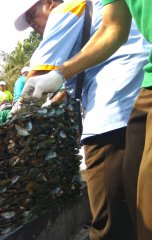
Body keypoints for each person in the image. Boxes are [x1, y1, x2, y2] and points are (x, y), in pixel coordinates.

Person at [13, 0, 150, 239]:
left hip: (114, 108)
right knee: (139, 206)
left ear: (49, 3)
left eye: (32, 16)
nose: (32, 25)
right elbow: (109, 32)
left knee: (109, 221)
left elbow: (38, 73)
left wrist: (14, 114)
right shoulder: (94, 9)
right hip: (138, 97)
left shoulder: (65, 9)